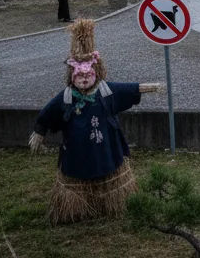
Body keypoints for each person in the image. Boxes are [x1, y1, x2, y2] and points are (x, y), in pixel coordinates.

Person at [29, 19, 160, 224]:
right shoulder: (66, 96)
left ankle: (110, 204)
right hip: (76, 149)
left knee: (108, 169)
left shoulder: (106, 91)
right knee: (77, 175)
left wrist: (145, 87)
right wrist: (39, 131)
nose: (83, 79)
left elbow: (127, 89)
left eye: (87, 74)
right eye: (78, 75)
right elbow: (49, 112)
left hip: (105, 145)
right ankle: (77, 209)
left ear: (96, 73)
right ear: (71, 77)